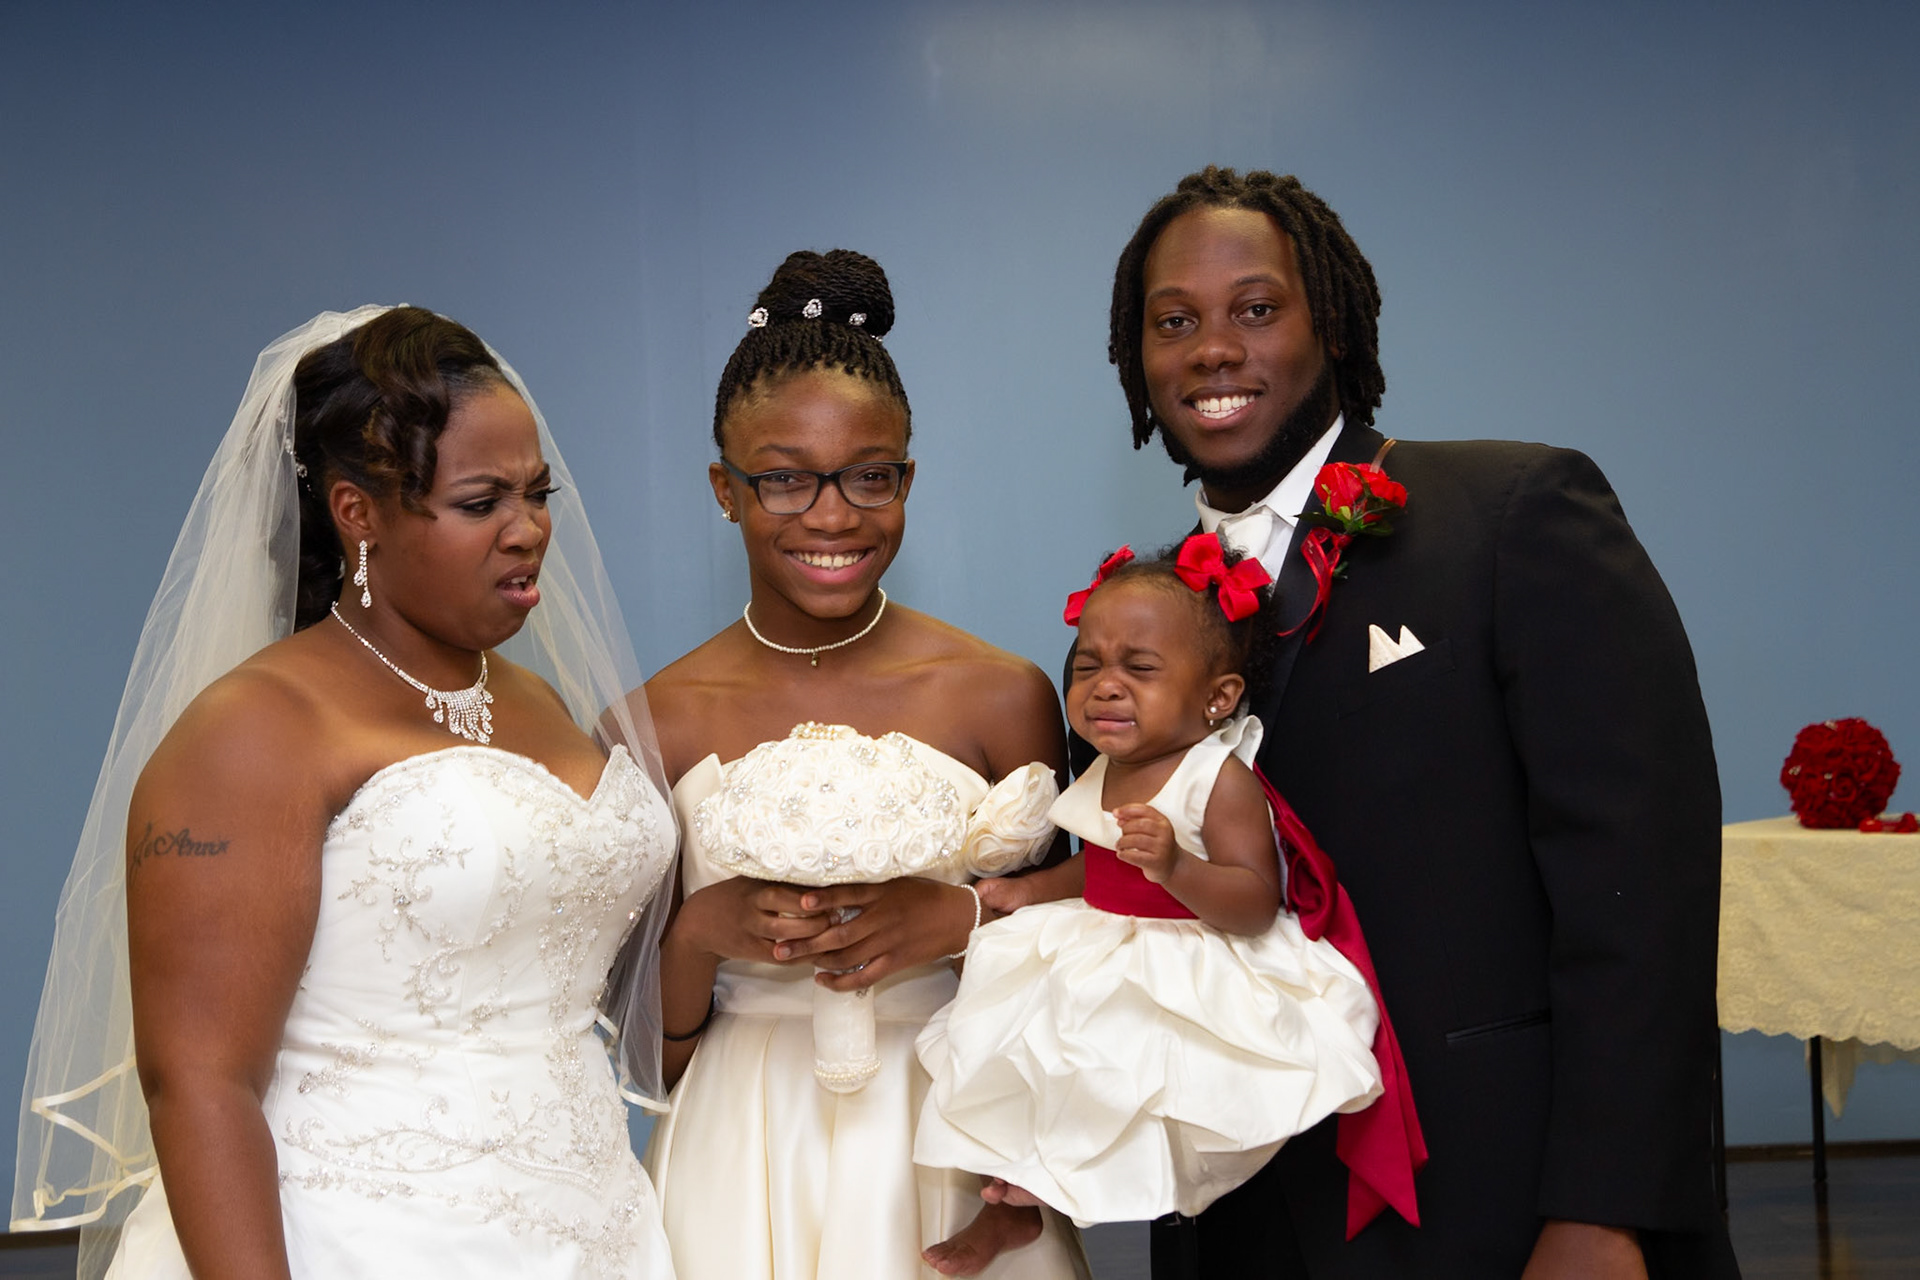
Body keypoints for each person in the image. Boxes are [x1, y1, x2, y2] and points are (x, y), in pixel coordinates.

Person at [1104, 168, 1737, 1277]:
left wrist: (1606, 1207)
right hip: (1235, 1210)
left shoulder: (1515, 514)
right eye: (1175, 321)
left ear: (1333, 326)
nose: (1213, 349)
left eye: (1257, 308)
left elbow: (1642, 886)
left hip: (1493, 1194)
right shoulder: (1146, 616)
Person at [11, 306, 679, 1280]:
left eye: (539, 493)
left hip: (594, 1225)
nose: (529, 529)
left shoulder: (535, 700)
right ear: (357, 512)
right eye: (481, 502)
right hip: (350, 1236)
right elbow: (200, 1082)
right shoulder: (256, 730)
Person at [635, 249, 1089, 1280]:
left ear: (906, 480)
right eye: (784, 478)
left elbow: (1079, 970)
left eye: (868, 475)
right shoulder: (652, 719)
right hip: (740, 1146)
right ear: (725, 489)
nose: (833, 515)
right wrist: (702, 931)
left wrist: (961, 919)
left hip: (951, 1136)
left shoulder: (1001, 693)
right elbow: (641, 1058)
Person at [914, 536, 1391, 1248]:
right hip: (1102, 940)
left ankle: (1079, 1188)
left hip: (1187, 958)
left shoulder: (1216, 779)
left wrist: (1176, 867)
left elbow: (1255, 901)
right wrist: (1036, 888)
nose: (1106, 686)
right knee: (1028, 1055)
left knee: (1124, 1076)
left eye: (1139, 669)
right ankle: (1013, 1203)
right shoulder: (1108, 767)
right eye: (1088, 666)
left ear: (1217, 698)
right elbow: (1103, 864)